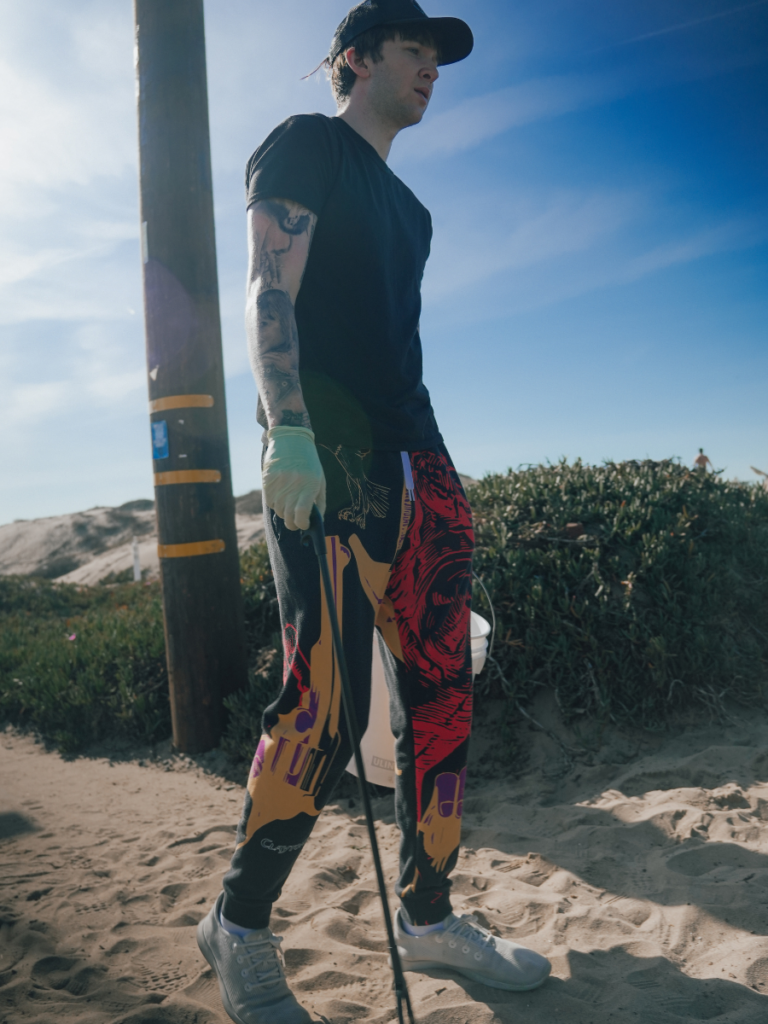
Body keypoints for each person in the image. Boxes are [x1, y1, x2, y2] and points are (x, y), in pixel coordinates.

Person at [197, 3, 551, 1021]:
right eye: (414, 48)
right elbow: (269, 290)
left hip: (416, 464)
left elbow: (397, 347)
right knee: (326, 704)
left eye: (439, 55)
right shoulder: (307, 146)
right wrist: (286, 429)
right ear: (356, 58)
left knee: (442, 699)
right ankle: (239, 922)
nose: (432, 67)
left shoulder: (411, 209)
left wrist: (438, 477)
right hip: (330, 454)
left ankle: (430, 917)